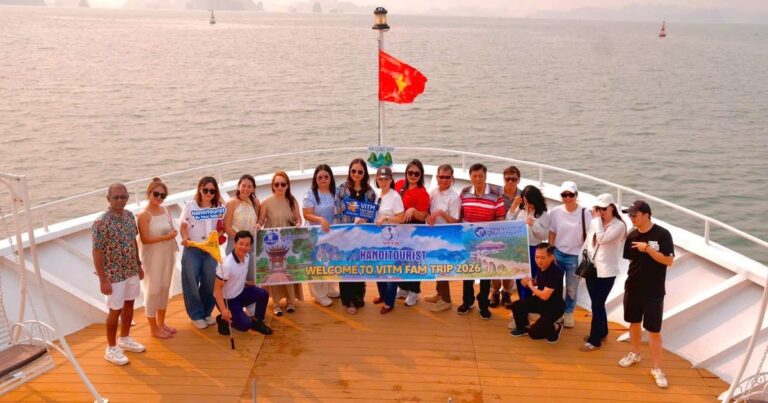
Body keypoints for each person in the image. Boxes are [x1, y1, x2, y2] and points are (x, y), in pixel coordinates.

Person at [618, 200, 675, 389]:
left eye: (634, 215)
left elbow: (668, 261)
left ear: (646, 214)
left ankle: (657, 368)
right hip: (633, 287)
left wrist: (648, 249)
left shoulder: (662, 234)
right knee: (634, 323)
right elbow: (631, 261)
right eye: (629, 215)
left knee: (654, 331)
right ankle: (635, 354)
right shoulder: (631, 236)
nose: (631, 218)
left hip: (654, 291)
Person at [92, 183, 146, 365]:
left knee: (130, 304)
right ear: (108, 199)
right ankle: (111, 348)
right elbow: (97, 251)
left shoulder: (130, 216)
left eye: (123, 197)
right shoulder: (101, 223)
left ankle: (125, 338)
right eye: (116, 197)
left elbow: (132, 242)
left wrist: (138, 265)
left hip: (130, 270)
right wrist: (103, 279)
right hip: (113, 274)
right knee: (115, 310)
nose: (120, 200)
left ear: (127, 198)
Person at [458, 163, 506, 319]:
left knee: (486, 273)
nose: (478, 179)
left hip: (487, 240)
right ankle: (467, 302)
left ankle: (483, 305)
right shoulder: (464, 193)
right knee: (468, 273)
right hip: (468, 239)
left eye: (481, 176)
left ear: (486, 176)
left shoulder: (496, 195)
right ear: (470, 177)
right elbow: (459, 215)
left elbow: (500, 218)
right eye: (475, 176)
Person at [580, 193, 626, 352]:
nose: (601, 212)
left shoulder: (619, 226)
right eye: (598, 208)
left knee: (597, 305)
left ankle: (595, 340)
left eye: (604, 208)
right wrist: (581, 261)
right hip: (591, 268)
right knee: (597, 303)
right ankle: (603, 331)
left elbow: (601, 239)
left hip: (606, 272)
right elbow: (589, 243)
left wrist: (596, 221)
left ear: (612, 207)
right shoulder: (597, 223)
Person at [180, 176, 225, 329]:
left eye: (212, 191)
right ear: (200, 189)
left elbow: (222, 228)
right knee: (191, 282)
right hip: (193, 248)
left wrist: (217, 234)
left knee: (210, 281)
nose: (208, 193)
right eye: (205, 190)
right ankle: (196, 315)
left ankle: (206, 312)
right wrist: (185, 238)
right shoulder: (190, 206)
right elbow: (183, 226)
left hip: (210, 249)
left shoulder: (219, 207)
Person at [136, 178, 178, 339]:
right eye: (156, 194)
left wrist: (172, 234)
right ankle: (153, 329)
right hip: (152, 257)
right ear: (148, 193)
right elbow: (145, 239)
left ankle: (161, 323)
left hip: (167, 254)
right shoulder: (144, 215)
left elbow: (170, 229)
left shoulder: (165, 210)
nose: (159, 197)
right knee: (153, 290)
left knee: (165, 287)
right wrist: (166, 237)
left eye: (163, 195)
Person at [334, 158, 376, 315]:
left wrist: (366, 218)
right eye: (353, 171)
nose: (356, 174)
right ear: (349, 171)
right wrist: (340, 232)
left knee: (359, 266)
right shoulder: (341, 189)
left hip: (362, 235)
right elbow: (337, 212)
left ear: (364, 173)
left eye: (360, 171)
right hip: (346, 234)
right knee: (346, 267)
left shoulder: (370, 192)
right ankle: (348, 300)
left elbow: (372, 214)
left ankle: (358, 296)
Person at [258, 171, 304, 317]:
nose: (279, 186)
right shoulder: (266, 202)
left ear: (287, 185)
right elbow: (261, 220)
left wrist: (298, 224)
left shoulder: (292, 201)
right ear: (272, 185)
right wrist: (258, 225)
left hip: (288, 241)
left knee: (289, 272)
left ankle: (291, 301)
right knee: (274, 273)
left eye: (283, 184)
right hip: (271, 243)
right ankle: (276, 304)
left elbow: (298, 219)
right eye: (276, 184)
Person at [548, 181, 592, 328]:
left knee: (572, 288)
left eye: (571, 195)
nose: (567, 198)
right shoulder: (555, 212)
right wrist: (551, 252)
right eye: (564, 195)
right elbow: (552, 232)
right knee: (555, 286)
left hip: (575, 256)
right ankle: (556, 312)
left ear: (576, 195)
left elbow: (589, 236)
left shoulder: (585, 213)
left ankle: (568, 313)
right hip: (558, 253)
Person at [213, 230, 273, 336]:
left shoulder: (246, 257)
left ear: (250, 247)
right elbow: (216, 289)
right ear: (235, 243)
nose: (243, 247)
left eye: (247, 245)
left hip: (240, 293)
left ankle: (258, 322)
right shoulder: (227, 265)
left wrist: (246, 282)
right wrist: (224, 310)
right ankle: (222, 319)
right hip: (227, 300)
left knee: (263, 293)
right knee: (245, 325)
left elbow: (237, 275)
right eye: (241, 244)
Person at [510, 242, 565, 343]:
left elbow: (544, 296)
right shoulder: (541, 267)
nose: (539, 260)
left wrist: (530, 286)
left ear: (551, 257)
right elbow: (540, 282)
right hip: (540, 301)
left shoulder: (556, 272)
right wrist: (529, 281)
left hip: (554, 307)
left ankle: (556, 327)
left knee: (534, 334)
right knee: (516, 306)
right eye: (537, 257)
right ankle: (523, 327)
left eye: (542, 258)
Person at [302, 164, 340, 306]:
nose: (323, 179)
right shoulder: (310, 194)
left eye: (326, 177)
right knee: (318, 263)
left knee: (331, 261)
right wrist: (320, 220)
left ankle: (330, 289)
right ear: (315, 179)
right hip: (316, 234)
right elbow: (306, 214)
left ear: (330, 178)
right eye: (320, 177)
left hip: (332, 234)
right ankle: (319, 294)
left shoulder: (336, 192)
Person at [393, 159, 430, 307]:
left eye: (416, 173)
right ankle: (403, 288)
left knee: (414, 261)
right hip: (400, 229)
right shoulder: (399, 185)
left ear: (421, 175)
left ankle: (414, 291)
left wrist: (413, 210)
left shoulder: (423, 193)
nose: (413, 176)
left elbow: (423, 216)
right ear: (406, 173)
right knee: (401, 259)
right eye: (410, 172)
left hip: (415, 230)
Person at [424, 164, 460, 312]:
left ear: (452, 179)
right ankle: (439, 294)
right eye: (441, 177)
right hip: (434, 235)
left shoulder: (454, 197)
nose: (444, 180)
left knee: (442, 268)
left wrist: (440, 213)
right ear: (437, 177)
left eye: (447, 177)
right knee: (435, 265)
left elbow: (455, 221)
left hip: (447, 238)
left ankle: (446, 300)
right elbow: (427, 211)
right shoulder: (433, 192)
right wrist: (428, 216)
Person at [223, 174, 260, 316]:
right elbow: (227, 227)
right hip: (235, 244)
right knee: (235, 277)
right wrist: (240, 244)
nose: (246, 189)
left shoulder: (255, 202)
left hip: (251, 245)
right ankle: (234, 306)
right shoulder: (231, 203)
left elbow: (259, 221)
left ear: (253, 188)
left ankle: (250, 305)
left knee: (250, 276)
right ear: (239, 186)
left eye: (249, 186)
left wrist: (249, 243)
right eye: (243, 185)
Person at [372, 166, 404, 314]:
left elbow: (401, 218)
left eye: (386, 179)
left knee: (391, 271)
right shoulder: (377, 195)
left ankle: (389, 302)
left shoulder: (395, 196)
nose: (383, 181)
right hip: (378, 239)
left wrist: (386, 218)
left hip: (392, 239)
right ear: (376, 180)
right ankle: (382, 294)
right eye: (380, 179)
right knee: (379, 268)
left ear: (391, 180)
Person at [492, 165, 523, 309]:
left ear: (518, 180)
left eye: (514, 179)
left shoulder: (523, 196)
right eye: (508, 179)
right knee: (495, 267)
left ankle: (506, 292)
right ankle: (494, 292)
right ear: (503, 179)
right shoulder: (495, 194)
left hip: (514, 237)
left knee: (509, 267)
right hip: (496, 235)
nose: (510, 182)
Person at [512, 185, 550, 300]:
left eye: (529, 202)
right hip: (519, 248)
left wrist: (534, 224)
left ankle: (526, 304)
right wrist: (514, 206)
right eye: (525, 201)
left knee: (529, 279)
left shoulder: (543, 214)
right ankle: (522, 302)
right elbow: (509, 221)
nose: (527, 204)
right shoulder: (521, 209)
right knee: (518, 277)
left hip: (533, 249)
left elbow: (544, 236)